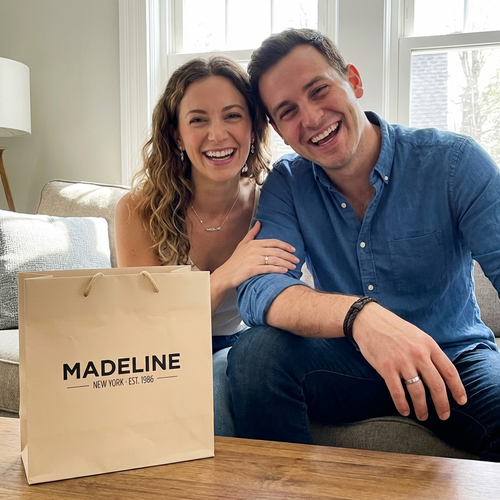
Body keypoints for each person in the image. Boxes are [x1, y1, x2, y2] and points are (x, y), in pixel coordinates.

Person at [228, 28, 500, 461]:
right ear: (278, 129)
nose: (311, 118)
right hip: (348, 362)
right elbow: (259, 289)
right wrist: (360, 316)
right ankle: (285, 490)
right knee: (256, 354)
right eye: (288, 111)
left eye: (319, 90)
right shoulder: (288, 182)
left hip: (453, 359)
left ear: (353, 81)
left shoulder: (454, 163)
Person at [114, 55, 299, 436]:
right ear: (176, 135)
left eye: (232, 116)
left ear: (254, 126)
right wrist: (226, 275)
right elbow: (148, 325)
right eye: (198, 120)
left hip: (240, 346)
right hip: (160, 351)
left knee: (219, 380)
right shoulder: (137, 209)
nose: (217, 135)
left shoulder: (272, 202)